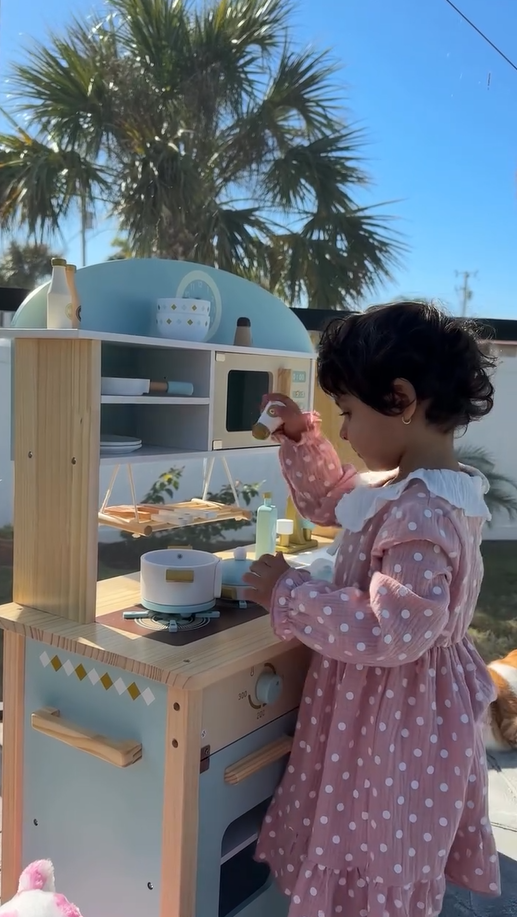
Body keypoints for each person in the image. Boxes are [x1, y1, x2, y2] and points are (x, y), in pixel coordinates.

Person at [243, 300, 501, 917]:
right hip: (399, 698)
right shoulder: (415, 487)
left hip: (396, 711)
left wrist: (290, 594)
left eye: (348, 413)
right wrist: (301, 437)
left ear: (401, 400)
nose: (345, 432)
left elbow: (394, 630)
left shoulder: (421, 510)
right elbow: (334, 499)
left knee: (374, 831)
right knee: (371, 828)